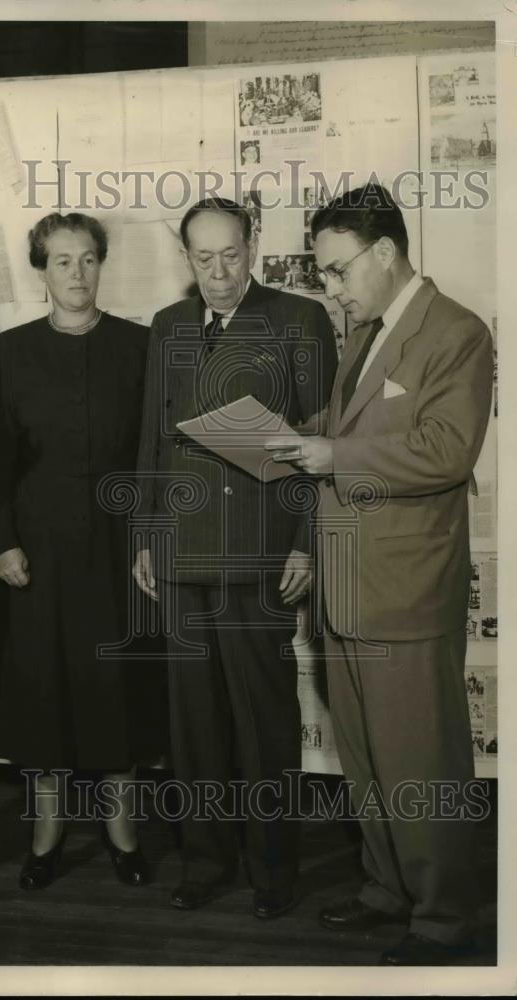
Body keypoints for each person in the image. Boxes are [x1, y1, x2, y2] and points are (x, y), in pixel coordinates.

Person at [266, 184, 493, 965]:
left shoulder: (457, 332)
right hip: (346, 584)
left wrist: (337, 455)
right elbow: (342, 428)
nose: (330, 287)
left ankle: (444, 918)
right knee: (365, 757)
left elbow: (446, 450)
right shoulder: (363, 335)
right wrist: (280, 436)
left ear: (386, 253)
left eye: (336, 270)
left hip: (403, 591)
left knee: (421, 761)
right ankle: (387, 890)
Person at [133, 197, 337, 920]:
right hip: (183, 555)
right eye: (202, 258)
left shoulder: (298, 320)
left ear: (254, 244)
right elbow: (153, 443)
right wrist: (146, 539)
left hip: (260, 556)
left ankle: (273, 872)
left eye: (231, 254)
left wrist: (308, 544)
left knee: (264, 723)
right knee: (194, 727)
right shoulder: (166, 328)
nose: (219, 274)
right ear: (184, 255)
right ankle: (205, 861)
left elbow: (321, 441)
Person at [0, 212, 165, 892]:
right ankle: (46, 833)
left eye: (88, 259)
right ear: (41, 270)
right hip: (37, 548)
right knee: (42, 691)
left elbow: (156, 455)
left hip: (120, 549)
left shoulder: (139, 346)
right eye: (62, 262)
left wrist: (150, 537)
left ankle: (123, 832)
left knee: (115, 689)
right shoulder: (9, 352)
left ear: (101, 264)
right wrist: (2, 542)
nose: (77, 274)